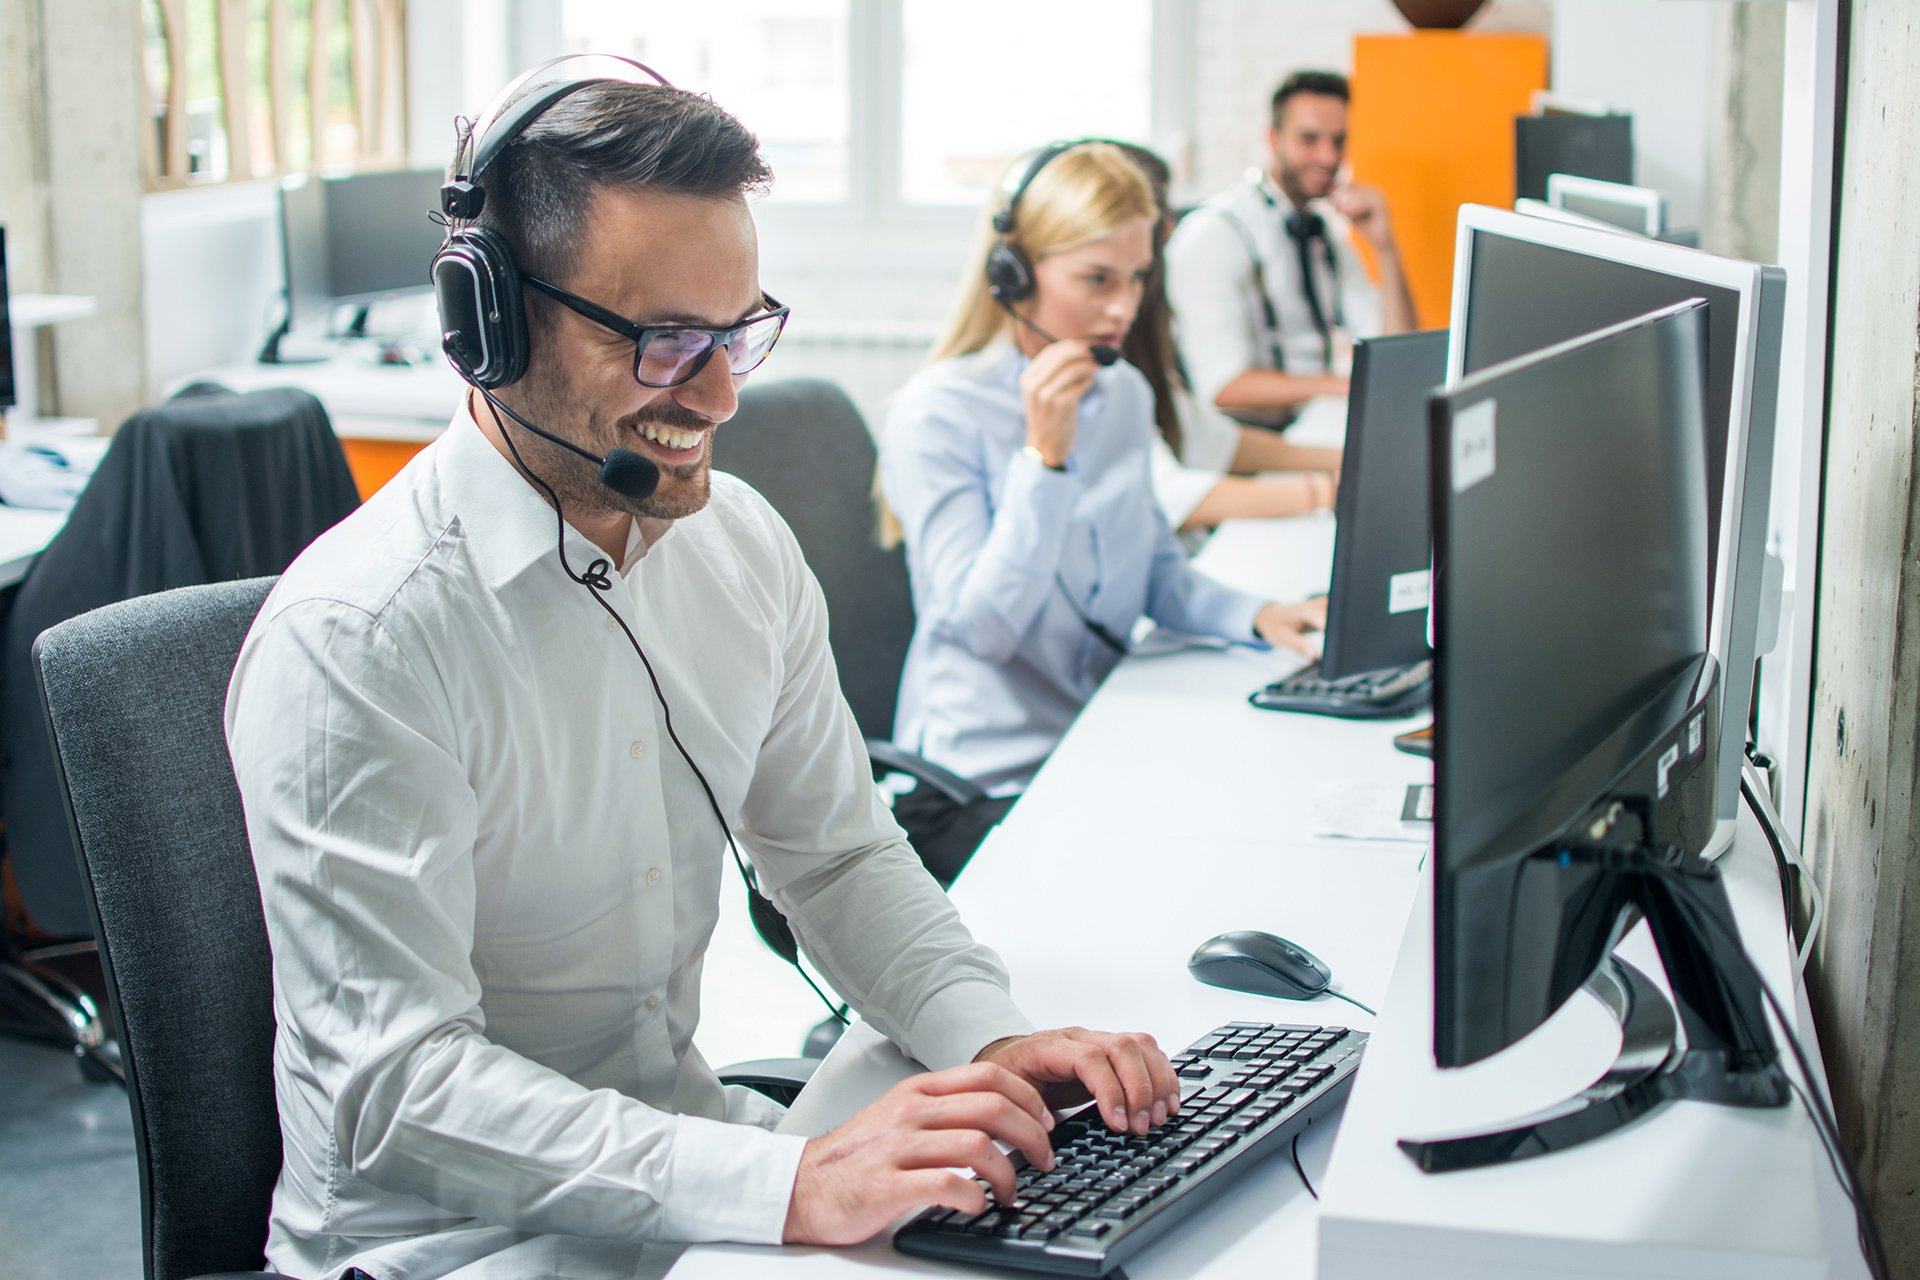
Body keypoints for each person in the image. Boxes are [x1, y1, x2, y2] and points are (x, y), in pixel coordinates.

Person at [225, 60, 1184, 1280]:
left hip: (692, 1186)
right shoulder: (361, 637)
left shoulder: (736, 545)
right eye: (670, 341)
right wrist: (787, 1180)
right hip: (451, 1247)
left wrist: (991, 1036)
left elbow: (836, 855)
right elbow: (398, 1086)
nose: (723, 393)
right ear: (493, 320)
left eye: (738, 333)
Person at [880, 140, 1327, 846]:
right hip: (979, 787)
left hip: (1097, 740)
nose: (1123, 308)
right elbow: (985, 632)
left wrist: (1260, 614)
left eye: (1138, 277)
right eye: (1096, 279)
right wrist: (1043, 462)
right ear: (1013, 273)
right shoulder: (938, 414)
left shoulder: (1121, 392)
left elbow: (1153, 570)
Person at [1165, 69, 1417, 427]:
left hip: (1315, 419)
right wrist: (1344, 387)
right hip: (1252, 438)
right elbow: (1224, 387)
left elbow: (1398, 356)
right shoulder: (1215, 234)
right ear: (1273, 138)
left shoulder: (1325, 234)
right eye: (1309, 139)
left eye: (1339, 141)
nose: (1328, 157)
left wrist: (1385, 247)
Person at [1113, 142, 1341, 537]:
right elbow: (1167, 495)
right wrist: (1324, 492)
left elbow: (1208, 440)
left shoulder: (1138, 341)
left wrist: (1351, 461)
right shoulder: (1096, 350)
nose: (1169, 228)